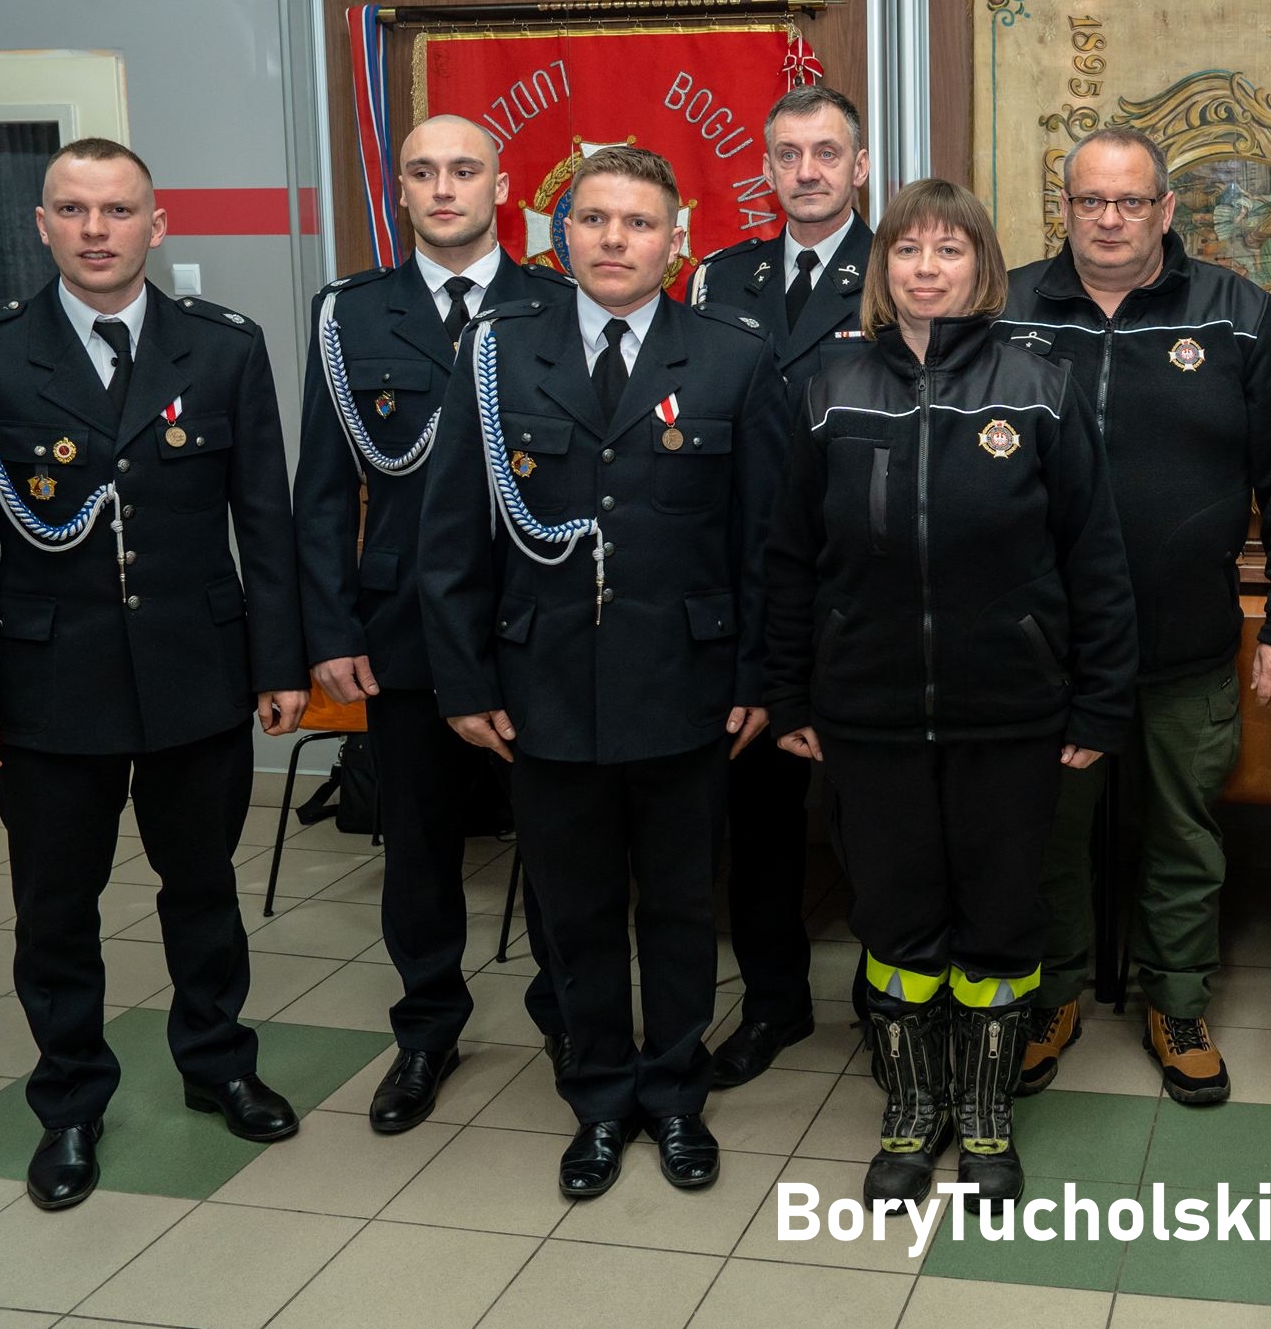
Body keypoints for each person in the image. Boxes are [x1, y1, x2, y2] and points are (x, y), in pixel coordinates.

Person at [0, 138, 307, 1211]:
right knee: (54, 909)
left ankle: (218, 1060)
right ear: (40, 225)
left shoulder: (221, 347)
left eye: (118, 209)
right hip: (46, 684)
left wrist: (280, 661)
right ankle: (72, 1102)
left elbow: (262, 519)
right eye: (73, 210)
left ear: (157, 225)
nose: (96, 229)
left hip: (195, 671)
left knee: (204, 890)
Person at [419, 144, 785, 1200]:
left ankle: (673, 1095)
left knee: (677, 905)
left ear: (677, 239)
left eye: (636, 222)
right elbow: (450, 539)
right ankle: (596, 1096)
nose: (613, 240)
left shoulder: (730, 356)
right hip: (543, 690)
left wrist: (759, 673)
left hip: (687, 683)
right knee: (570, 910)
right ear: (559, 233)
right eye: (593, 220)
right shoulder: (494, 353)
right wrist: (464, 682)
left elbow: (764, 540)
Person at [764, 178, 1135, 1210]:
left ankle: (984, 1111)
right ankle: (908, 1109)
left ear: (983, 266)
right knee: (895, 917)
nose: (928, 267)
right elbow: (790, 559)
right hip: (867, 712)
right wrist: (788, 691)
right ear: (882, 270)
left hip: (1012, 710)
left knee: (999, 922)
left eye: (950, 249)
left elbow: (1094, 558)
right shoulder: (829, 385)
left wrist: (1100, 702)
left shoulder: (1039, 386)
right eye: (908, 251)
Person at [998, 125, 1271, 1105]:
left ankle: (1175, 1000)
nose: (1109, 220)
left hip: (1184, 641)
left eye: (1130, 202)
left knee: (1184, 834)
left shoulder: (1237, 315)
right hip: (1045, 653)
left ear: (1166, 210)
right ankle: (1050, 994)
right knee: (1046, 835)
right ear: (1062, 208)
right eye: (1089, 201)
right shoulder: (1007, 308)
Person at [294, 114, 575, 1131]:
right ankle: (426, 1028)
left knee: (557, 837)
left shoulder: (558, 299)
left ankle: (568, 1014)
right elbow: (321, 490)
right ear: (399, 191)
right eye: (423, 172)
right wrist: (328, 630)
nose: (444, 187)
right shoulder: (349, 316)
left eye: (464, 170)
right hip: (403, 624)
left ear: (503, 186)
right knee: (416, 843)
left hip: (535, 620)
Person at [696, 84, 875, 1088]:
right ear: (764, 168)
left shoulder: (897, 271)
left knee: (870, 811)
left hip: (860, 582)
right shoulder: (723, 274)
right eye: (786, 154)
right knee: (758, 814)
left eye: (824, 152)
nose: (804, 170)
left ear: (858, 167)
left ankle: (885, 1002)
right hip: (751, 582)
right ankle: (775, 1001)